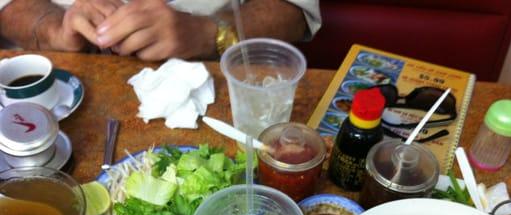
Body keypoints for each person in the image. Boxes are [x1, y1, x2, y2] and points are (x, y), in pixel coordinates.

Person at [0, 0, 321, 61]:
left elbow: (294, 12)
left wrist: (207, 32)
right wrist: (54, 28)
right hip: (57, 83)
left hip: (217, 76)